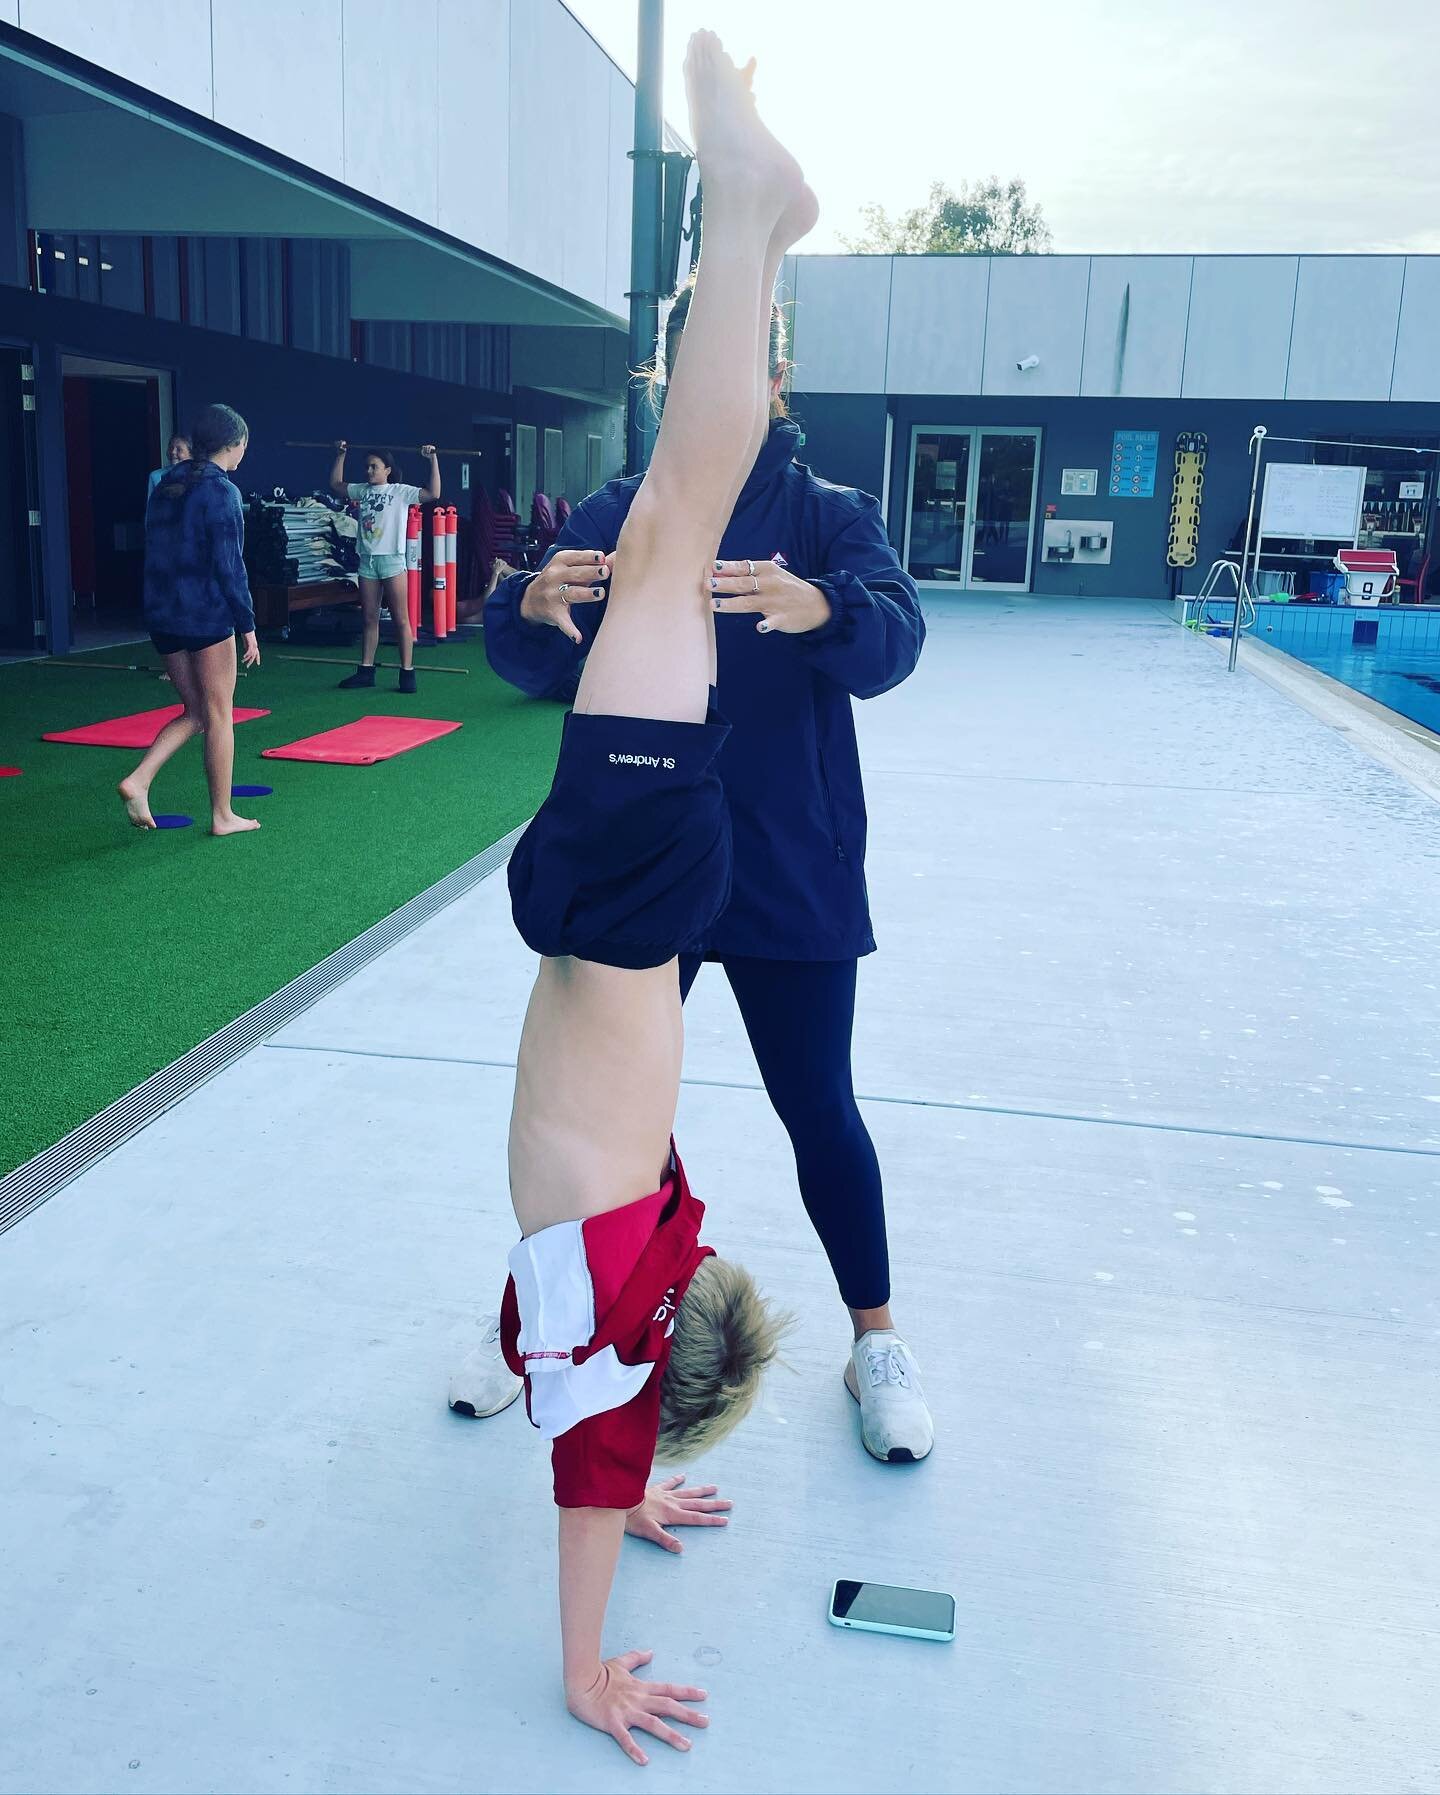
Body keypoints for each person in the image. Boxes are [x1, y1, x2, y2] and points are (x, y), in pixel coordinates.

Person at [452, 122, 931, 1472]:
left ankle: (877, 1333)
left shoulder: (830, 510)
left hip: (786, 871)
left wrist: (823, 602)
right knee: (603, 1127)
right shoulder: (616, 511)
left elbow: (896, 641)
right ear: (670, 378)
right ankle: (551, 1331)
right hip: (650, 873)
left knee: (816, 1108)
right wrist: (529, 607)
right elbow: (531, 661)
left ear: (771, 374)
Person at [497, 35, 810, 1763]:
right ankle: (748, 220)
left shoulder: (644, 1241)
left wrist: (651, 1484)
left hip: (638, 892)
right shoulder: (606, 1277)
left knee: (680, 528)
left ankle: (751, 230)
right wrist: (586, 1655)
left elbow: (607, 1445)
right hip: (622, 891)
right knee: (680, 517)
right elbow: (584, 1463)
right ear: (640, 1349)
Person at [119, 404, 261, 837]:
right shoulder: (223, 491)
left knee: (197, 710)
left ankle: (140, 779)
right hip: (205, 613)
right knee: (219, 713)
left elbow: (156, 550)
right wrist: (248, 625)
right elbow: (229, 566)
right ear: (234, 445)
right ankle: (222, 815)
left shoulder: (166, 484)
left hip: (163, 613)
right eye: (243, 446)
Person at [328, 443, 441, 693]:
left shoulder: (400, 491)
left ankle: (407, 673)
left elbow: (433, 493)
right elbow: (336, 484)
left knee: (401, 618)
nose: (369, 471)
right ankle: (366, 670)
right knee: (369, 618)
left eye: (374, 467)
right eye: (367, 467)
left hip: (392, 560)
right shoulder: (362, 490)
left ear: (387, 470)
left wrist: (432, 459)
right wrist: (341, 455)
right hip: (367, 560)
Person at [146, 432, 191, 498]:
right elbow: (150, 506)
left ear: (191, 453)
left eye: (179, 449)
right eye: (171, 448)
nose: (173, 452)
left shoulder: (199, 476)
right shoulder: (156, 476)